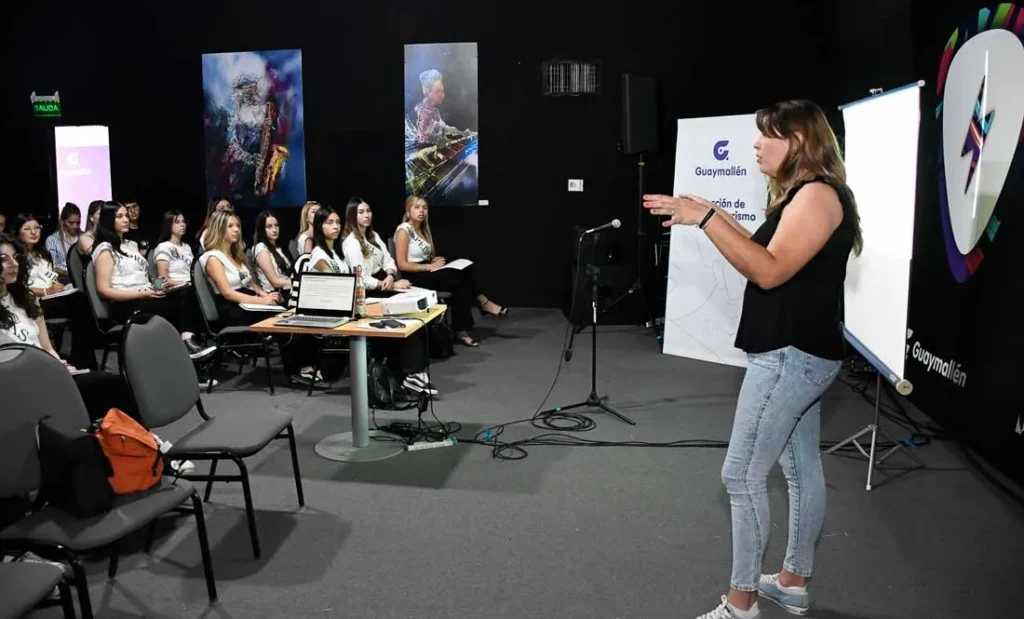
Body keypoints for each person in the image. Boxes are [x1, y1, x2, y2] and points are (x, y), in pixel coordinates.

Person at [643, 100, 863, 619]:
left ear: (799, 141)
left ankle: (741, 604)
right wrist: (710, 214)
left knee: (741, 476)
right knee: (799, 469)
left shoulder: (817, 195)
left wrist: (707, 218)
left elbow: (768, 272)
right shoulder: (808, 195)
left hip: (790, 357)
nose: (757, 145)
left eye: (769, 135)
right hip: (800, 353)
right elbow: (766, 256)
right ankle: (791, 582)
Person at [0, 232, 133, 420]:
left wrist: (60, 366)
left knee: (113, 385)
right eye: (3, 259)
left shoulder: (26, 299)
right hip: (18, 382)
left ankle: (137, 437)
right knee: (97, 392)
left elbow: (47, 348)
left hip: (47, 372)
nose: (13, 264)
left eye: (15, 257)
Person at [309, 206, 435, 395]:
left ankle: (407, 374)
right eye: (330, 223)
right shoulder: (319, 255)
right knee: (396, 323)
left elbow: (361, 277)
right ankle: (410, 374)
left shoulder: (336, 253)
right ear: (319, 226)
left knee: (407, 321)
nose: (336, 227)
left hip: (352, 308)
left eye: (337, 222)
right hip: (336, 313)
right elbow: (339, 288)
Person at [200, 210, 316, 383]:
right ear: (219, 229)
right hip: (232, 308)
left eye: (237, 225)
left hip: (247, 300)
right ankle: (295, 371)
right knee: (283, 319)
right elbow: (228, 293)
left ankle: (305, 365)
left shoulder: (234, 254)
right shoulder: (212, 257)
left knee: (290, 313)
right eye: (230, 226)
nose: (236, 230)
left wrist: (266, 294)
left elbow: (250, 283)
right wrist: (263, 301)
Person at [92, 201, 212, 359]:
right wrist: (142, 294)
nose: (126, 220)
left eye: (126, 216)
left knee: (188, 293)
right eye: (119, 216)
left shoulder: (131, 245)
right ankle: (185, 347)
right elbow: (103, 290)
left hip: (145, 295)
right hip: (126, 304)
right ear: (108, 220)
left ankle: (187, 342)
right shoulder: (105, 249)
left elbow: (145, 277)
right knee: (179, 305)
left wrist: (159, 285)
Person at [393, 195, 506, 347]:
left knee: (461, 279)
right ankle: (482, 304)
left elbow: (424, 257)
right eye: (417, 207)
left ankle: (462, 332)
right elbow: (402, 265)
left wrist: (433, 261)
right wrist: (429, 267)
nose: (421, 211)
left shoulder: (423, 230)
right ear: (408, 212)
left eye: (424, 208)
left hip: (426, 271)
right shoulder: (404, 230)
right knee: (460, 276)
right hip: (414, 276)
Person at [341, 197, 410, 292]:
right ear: (352, 216)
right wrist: (393, 285)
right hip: (368, 290)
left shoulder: (374, 235)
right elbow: (362, 279)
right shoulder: (352, 242)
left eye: (368, 211)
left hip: (385, 281)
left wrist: (390, 276)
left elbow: (388, 259)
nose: (366, 215)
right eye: (361, 212)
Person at [412, 69, 472, 146]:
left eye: (442, 91)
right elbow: (424, 137)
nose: (442, 95)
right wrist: (441, 140)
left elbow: (444, 128)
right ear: (427, 92)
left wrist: (462, 133)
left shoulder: (434, 111)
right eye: (438, 91)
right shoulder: (422, 112)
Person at [251, 210, 293, 297]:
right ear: (262, 229)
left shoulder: (280, 247)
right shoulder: (261, 247)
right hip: (273, 295)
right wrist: (299, 282)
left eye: (276, 225)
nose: (274, 230)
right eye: (269, 226)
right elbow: (275, 282)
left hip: (288, 292)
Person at [152, 210, 194, 288]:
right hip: (176, 289)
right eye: (177, 222)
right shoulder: (163, 247)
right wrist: (185, 284)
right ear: (169, 225)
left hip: (191, 286)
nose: (182, 225)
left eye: (183, 222)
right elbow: (162, 279)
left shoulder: (187, 247)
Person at [44, 202, 80, 283]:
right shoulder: (53, 240)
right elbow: (53, 266)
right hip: (64, 279)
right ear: (63, 221)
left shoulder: (83, 238)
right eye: (71, 223)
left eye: (78, 223)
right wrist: (69, 273)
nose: (75, 226)